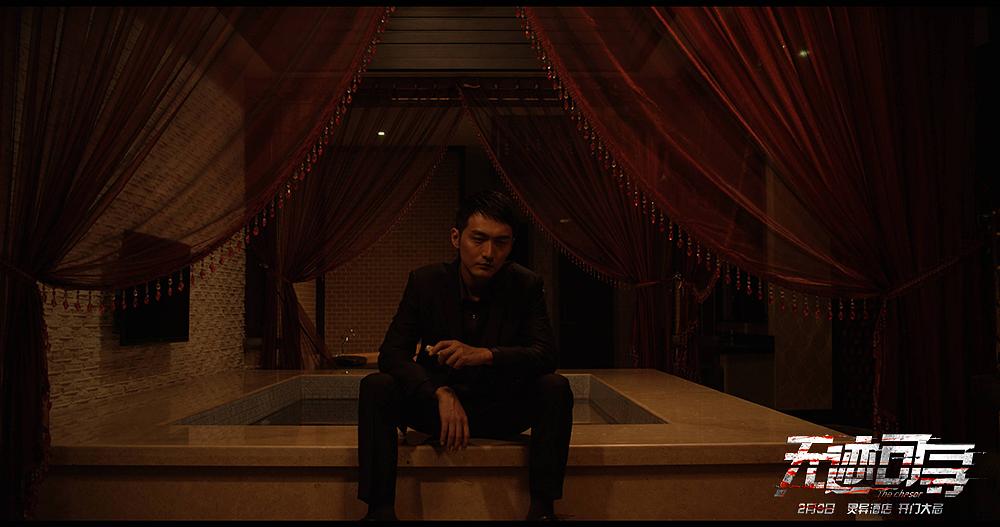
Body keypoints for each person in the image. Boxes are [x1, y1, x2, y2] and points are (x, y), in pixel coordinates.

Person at [357, 190, 573, 521]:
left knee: (555, 387)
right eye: (479, 239)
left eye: (501, 243)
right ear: (456, 238)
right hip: (438, 410)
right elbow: (392, 354)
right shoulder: (426, 282)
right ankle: (380, 511)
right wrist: (438, 392)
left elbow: (545, 355)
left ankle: (542, 510)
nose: (489, 253)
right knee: (376, 386)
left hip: (499, 406)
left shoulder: (526, 285)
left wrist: (485, 355)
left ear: (511, 245)